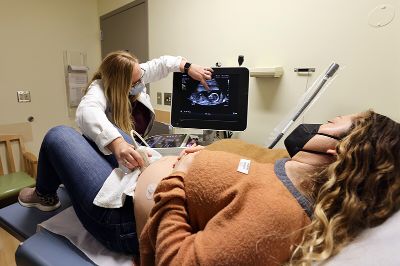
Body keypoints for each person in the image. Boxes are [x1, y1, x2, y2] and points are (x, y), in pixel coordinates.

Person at [18, 110, 400, 265]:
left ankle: (45, 195)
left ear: (340, 149)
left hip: (123, 216)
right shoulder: (290, 169)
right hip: (145, 176)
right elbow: (234, 181)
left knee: (60, 135)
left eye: (335, 121)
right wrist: (200, 161)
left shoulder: (278, 215)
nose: (326, 120)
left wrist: (175, 178)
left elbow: (178, 260)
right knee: (110, 132)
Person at [76, 50, 213, 170]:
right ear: (120, 86)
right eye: (135, 83)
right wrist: (118, 144)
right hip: (120, 154)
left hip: (137, 145)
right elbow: (87, 111)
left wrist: (188, 67)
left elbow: (163, 64)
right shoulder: (98, 89)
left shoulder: (135, 73)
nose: (142, 83)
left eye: (141, 77)